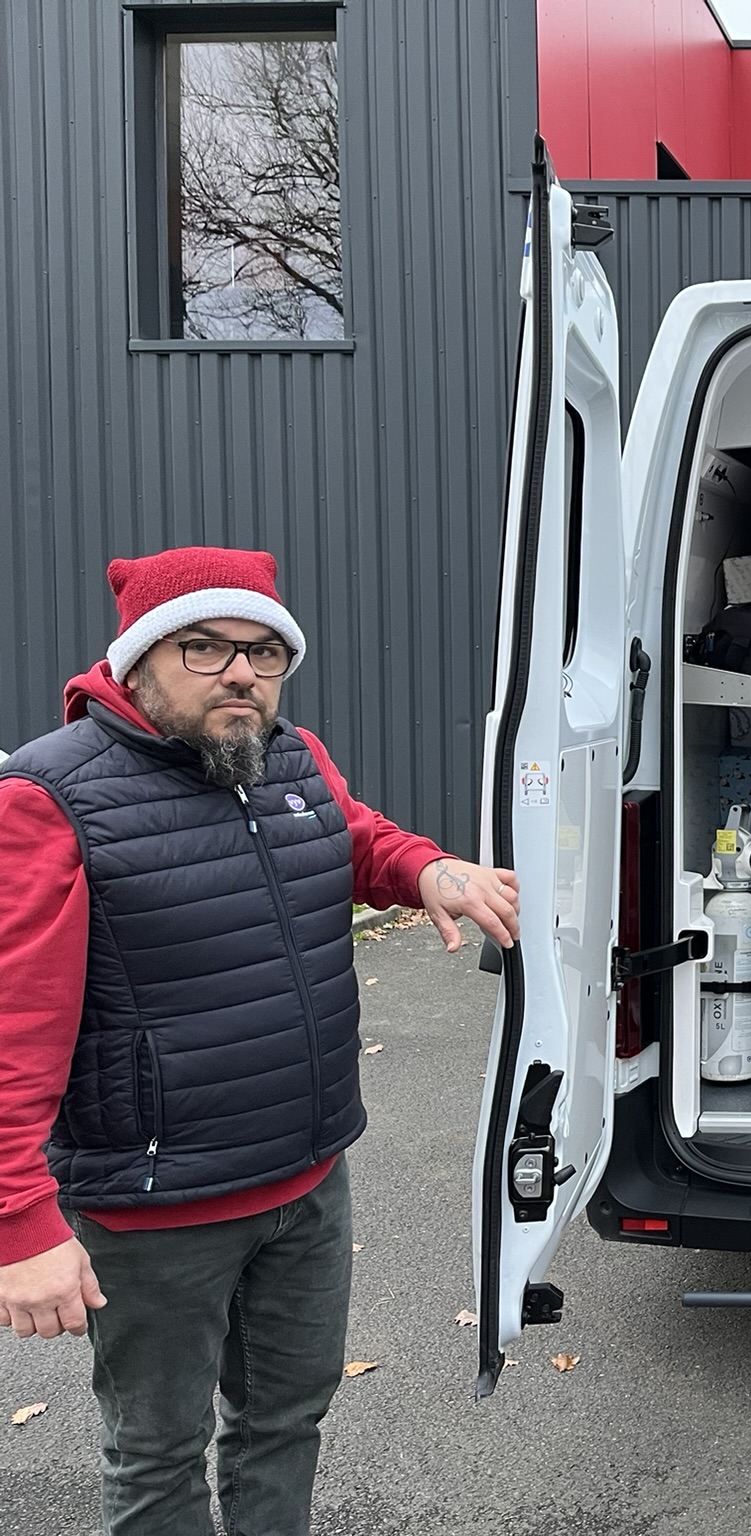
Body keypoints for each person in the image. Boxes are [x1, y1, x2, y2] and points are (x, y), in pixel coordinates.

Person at [0, 547, 521, 1536]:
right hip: (156, 1214)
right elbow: (12, 1021)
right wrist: (19, 1220)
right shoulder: (49, 797)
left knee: (285, 1421)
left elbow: (349, 837)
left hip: (306, 1181)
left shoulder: (288, 753)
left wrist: (429, 870)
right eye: (205, 648)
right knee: (155, 1456)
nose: (243, 673)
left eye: (265, 652)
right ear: (139, 663)